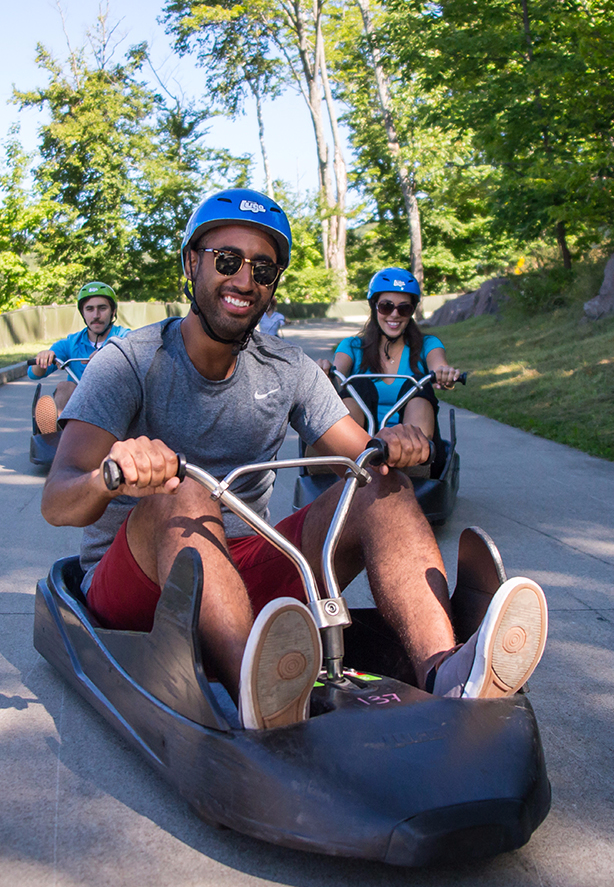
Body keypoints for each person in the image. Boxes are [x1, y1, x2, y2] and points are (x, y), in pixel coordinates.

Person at [40, 188, 548, 731]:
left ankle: (447, 672)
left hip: (241, 577)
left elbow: (359, 455)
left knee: (381, 484)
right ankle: (256, 691)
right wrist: (113, 475)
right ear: (192, 262)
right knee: (184, 490)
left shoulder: (288, 369)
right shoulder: (128, 362)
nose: (244, 280)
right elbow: (58, 500)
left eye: (263, 268)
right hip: (135, 588)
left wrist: (395, 447)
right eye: (228, 261)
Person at [318, 268, 461, 451]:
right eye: (386, 306)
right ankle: (352, 453)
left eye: (404, 308)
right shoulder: (352, 346)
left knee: (418, 386)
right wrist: (326, 373)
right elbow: (337, 375)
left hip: (411, 446)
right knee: (357, 387)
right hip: (359, 443)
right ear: (374, 306)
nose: (394, 314)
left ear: (411, 312)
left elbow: (439, 364)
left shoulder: (427, 344)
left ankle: (413, 457)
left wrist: (444, 373)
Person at [29, 281, 129, 439]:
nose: (96, 315)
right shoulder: (71, 342)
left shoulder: (125, 337)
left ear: (113, 311)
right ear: (83, 313)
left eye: (102, 308)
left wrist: (109, 356)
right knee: (65, 386)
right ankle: (56, 431)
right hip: (78, 407)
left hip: (112, 402)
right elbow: (34, 374)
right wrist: (42, 358)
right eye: (90, 309)